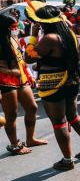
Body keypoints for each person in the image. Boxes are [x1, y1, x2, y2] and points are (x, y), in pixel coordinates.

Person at [23, 1, 80, 170]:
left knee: (58, 122)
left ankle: (67, 159)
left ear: (44, 22)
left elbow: (28, 57)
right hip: (70, 80)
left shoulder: (49, 38)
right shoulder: (68, 33)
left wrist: (33, 36)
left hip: (53, 83)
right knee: (73, 116)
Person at [0, 11, 46, 155]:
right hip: (6, 81)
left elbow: (21, 59)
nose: (14, 28)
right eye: (11, 26)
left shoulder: (13, 38)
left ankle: (30, 138)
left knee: (32, 107)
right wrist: (11, 72)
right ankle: (15, 145)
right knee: (11, 114)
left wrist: (29, 75)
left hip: (22, 78)